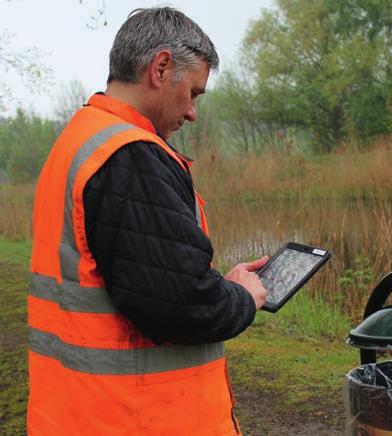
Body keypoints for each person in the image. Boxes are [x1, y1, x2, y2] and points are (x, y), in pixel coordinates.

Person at [28, 7, 268, 435]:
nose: (193, 112)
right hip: (137, 417)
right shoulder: (129, 156)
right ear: (160, 68)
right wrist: (241, 299)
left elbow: (143, 279)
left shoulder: (82, 138)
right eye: (194, 92)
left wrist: (222, 283)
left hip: (76, 411)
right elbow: (183, 305)